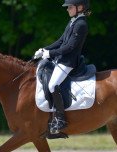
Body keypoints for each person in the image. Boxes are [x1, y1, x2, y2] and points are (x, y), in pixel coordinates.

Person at [34, 0, 91, 135]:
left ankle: (60, 119)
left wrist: (50, 54)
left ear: (80, 7)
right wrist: (44, 49)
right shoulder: (73, 21)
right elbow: (60, 41)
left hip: (69, 62)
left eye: (70, 7)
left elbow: (70, 47)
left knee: (53, 85)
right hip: (62, 59)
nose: (67, 9)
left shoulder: (81, 24)